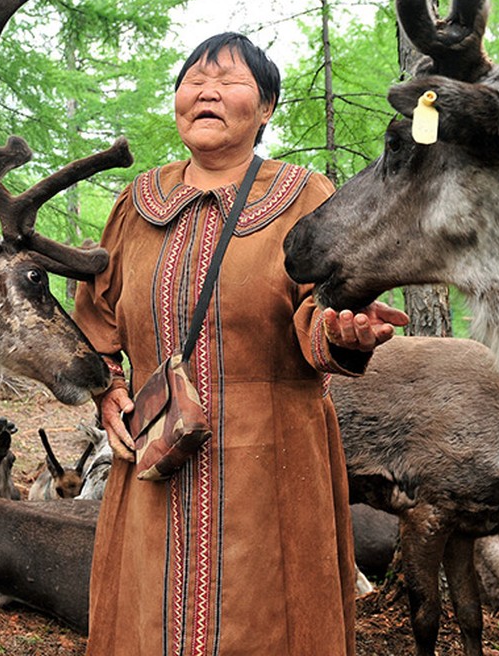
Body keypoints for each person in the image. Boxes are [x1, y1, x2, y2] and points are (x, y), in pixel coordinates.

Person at [73, 32, 408, 655]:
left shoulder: (304, 197)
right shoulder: (137, 204)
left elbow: (320, 314)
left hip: (274, 456)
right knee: (147, 622)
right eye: (193, 80)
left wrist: (343, 333)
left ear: (267, 107)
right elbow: (97, 321)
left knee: (270, 621)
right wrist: (109, 391)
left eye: (229, 81)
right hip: (157, 453)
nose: (206, 91)